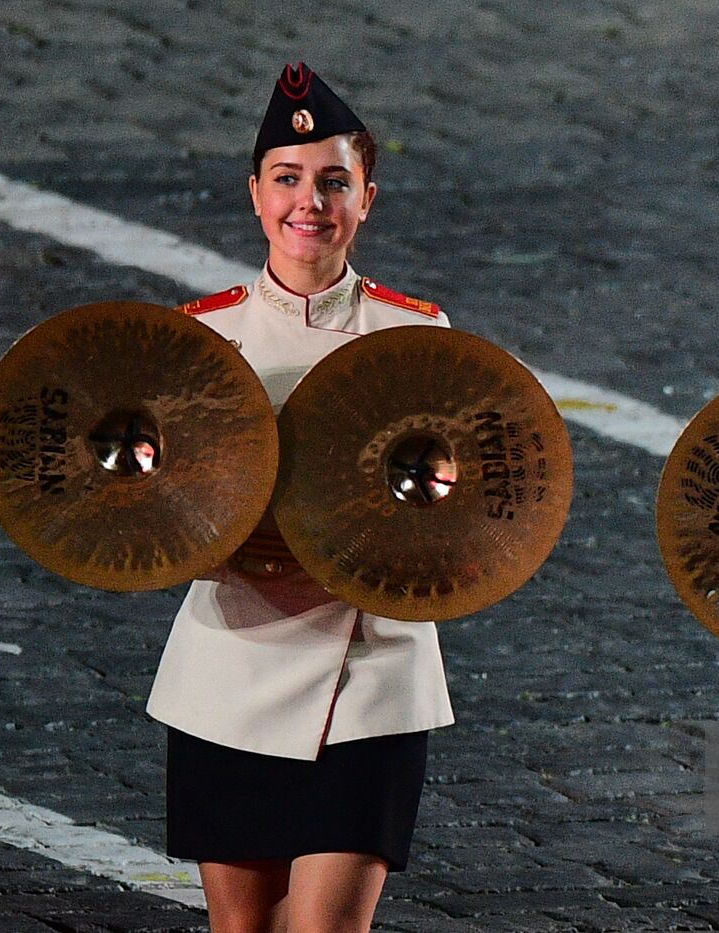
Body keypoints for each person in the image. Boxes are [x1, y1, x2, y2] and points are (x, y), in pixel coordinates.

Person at [145, 63, 454, 933]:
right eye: (287, 179)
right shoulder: (204, 334)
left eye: (334, 182)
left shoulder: (418, 333)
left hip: (370, 671)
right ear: (254, 194)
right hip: (231, 665)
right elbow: (156, 517)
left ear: (367, 198)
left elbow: (461, 517)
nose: (308, 203)